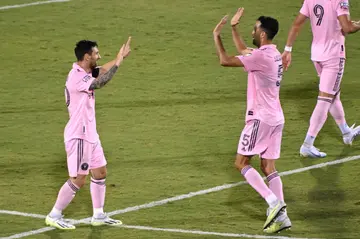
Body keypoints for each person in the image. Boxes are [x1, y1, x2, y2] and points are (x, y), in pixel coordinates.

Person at [213, 8, 291, 233]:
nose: (253, 32)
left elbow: (225, 60)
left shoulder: (260, 56)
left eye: (255, 29)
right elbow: (244, 50)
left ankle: (274, 202)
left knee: (241, 163)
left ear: (263, 35)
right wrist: (234, 28)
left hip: (260, 118)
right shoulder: (272, 54)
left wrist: (217, 36)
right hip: (276, 118)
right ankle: (282, 216)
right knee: (268, 167)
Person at [45, 37, 132, 229]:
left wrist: (120, 58)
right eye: (96, 54)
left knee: (100, 172)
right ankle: (55, 214)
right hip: (79, 135)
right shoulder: (76, 77)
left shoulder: (85, 71)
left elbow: (100, 71)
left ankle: (98, 215)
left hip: (90, 133)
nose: (99, 56)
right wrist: (117, 62)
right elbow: (99, 83)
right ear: (86, 56)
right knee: (78, 179)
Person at [282, 0, 360, 158]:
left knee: (333, 95)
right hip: (333, 55)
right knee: (324, 100)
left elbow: (297, 23)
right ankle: (307, 144)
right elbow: (347, 28)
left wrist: (287, 50)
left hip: (317, 55)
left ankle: (346, 133)